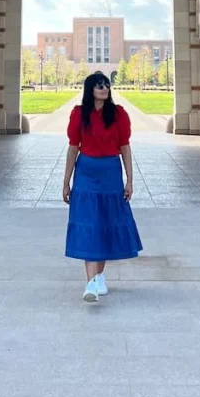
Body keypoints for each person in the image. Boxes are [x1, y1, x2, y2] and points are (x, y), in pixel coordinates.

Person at [63, 71, 143, 302]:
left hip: (110, 173)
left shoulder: (118, 114)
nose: (104, 88)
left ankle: (98, 277)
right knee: (89, 221)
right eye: (99, 85)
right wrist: (66, 181)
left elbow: (125, 147)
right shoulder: (79, 114)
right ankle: (90, 283)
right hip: (86, 172)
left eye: (106, 85)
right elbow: (73, 148)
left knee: (105, 221)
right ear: (90, 89)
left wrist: (130, 180)